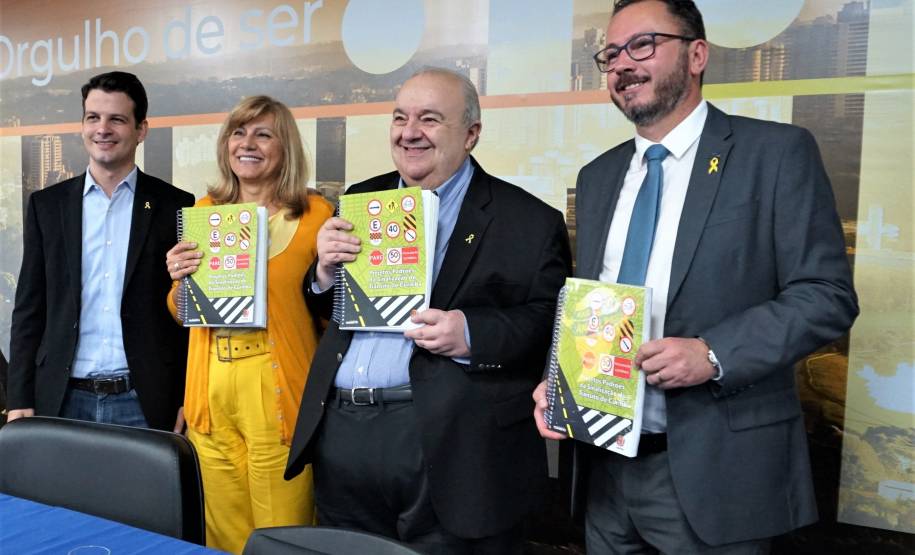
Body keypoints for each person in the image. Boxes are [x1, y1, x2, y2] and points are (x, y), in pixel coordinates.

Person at [533, 0, 859, 552]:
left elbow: (826, 297)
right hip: (604, 467)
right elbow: (598, 303)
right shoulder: (598, 176)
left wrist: (712, 354)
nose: (622, 65)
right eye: (610, 53)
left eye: (643, 45)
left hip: (718, 473)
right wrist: (561, 382)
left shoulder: (775, 154)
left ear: (698, 54)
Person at [285, 68, 572, 554]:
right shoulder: (360, 199)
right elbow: (325, 307)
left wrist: (472, 332)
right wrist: (323, 275)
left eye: (430, 119)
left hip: (450, 444)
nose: (409, 132)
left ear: (472, 133)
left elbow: (551, 322)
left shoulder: (529, 219)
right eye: (400, 117)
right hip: (344, 436)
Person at [166, 95, 333, 554]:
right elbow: (183, 313)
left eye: (263, 133)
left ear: (286, 147)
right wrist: (179, 278)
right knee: (220, 534)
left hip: (278, 389)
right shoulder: (205, 211)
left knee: (284, 534)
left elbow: (331, 311)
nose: (248, 143)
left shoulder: (317, 215)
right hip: (211, 386)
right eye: (238, 132)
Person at [6, 71, 193, 431]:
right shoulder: (47, 206)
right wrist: (19, 398)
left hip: (146, 401)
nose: (102, 129)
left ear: (141, 130)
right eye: (93, 117)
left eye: (117, 119)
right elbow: (30, 309)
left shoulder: (177, 206)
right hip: (60, 399)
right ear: (82, 125)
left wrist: (190, 396)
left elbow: (185, 318)